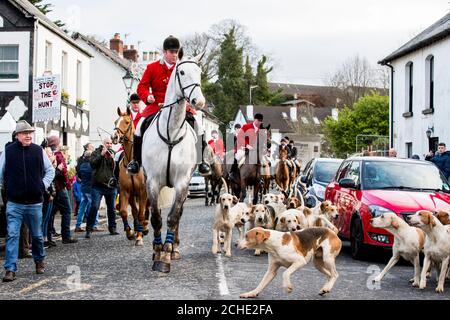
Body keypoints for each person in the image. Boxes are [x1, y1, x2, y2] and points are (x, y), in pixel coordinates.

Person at [127, 35, 210, 176]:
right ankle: (136, 161)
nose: (174, 55)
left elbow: (189, 86)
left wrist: (190, 99)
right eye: (172, 52)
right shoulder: (152, 67)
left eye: (176, 52)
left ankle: (202, 162)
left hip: (181, 107)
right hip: (156, 106)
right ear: (164, 52)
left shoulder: (182, 67)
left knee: (199, 127)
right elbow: (142, 86)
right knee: (139, 127)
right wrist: (148, 96)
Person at [0, 121, 55, 282]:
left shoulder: (38, 151)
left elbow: (50, 170)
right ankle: (10, 269)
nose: (29, 135)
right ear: (17, 136)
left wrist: (42, 185)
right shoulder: (8, 152)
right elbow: (1, 175)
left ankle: (39, 261)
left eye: (30, 132)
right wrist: (7, 189)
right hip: (14, 203)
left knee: (37, 236)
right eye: (25, 133)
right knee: (12, 235)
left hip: (34, 202)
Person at [85, 137, 119, 238]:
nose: (109, 145)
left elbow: (117, 170)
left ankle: (112, 228)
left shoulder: (114, 153)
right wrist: (101, 155)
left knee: (112, 208)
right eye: (107, 143)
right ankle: (89, 228)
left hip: (111, 186)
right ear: (103, 144)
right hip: (98, 185)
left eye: (111, 143)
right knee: (94, 206)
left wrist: (114, 160)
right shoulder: (96, 152)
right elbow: (92, 164)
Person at [47, 136, 78, 244]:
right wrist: (67, 183)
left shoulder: (48, 154)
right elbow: (63, 172)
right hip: (59, 188)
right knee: (67, 211)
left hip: (52, 189)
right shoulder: (58, 155)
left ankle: (49, 236)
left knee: (51, 213)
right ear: (57, 143)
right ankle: (66, 236)